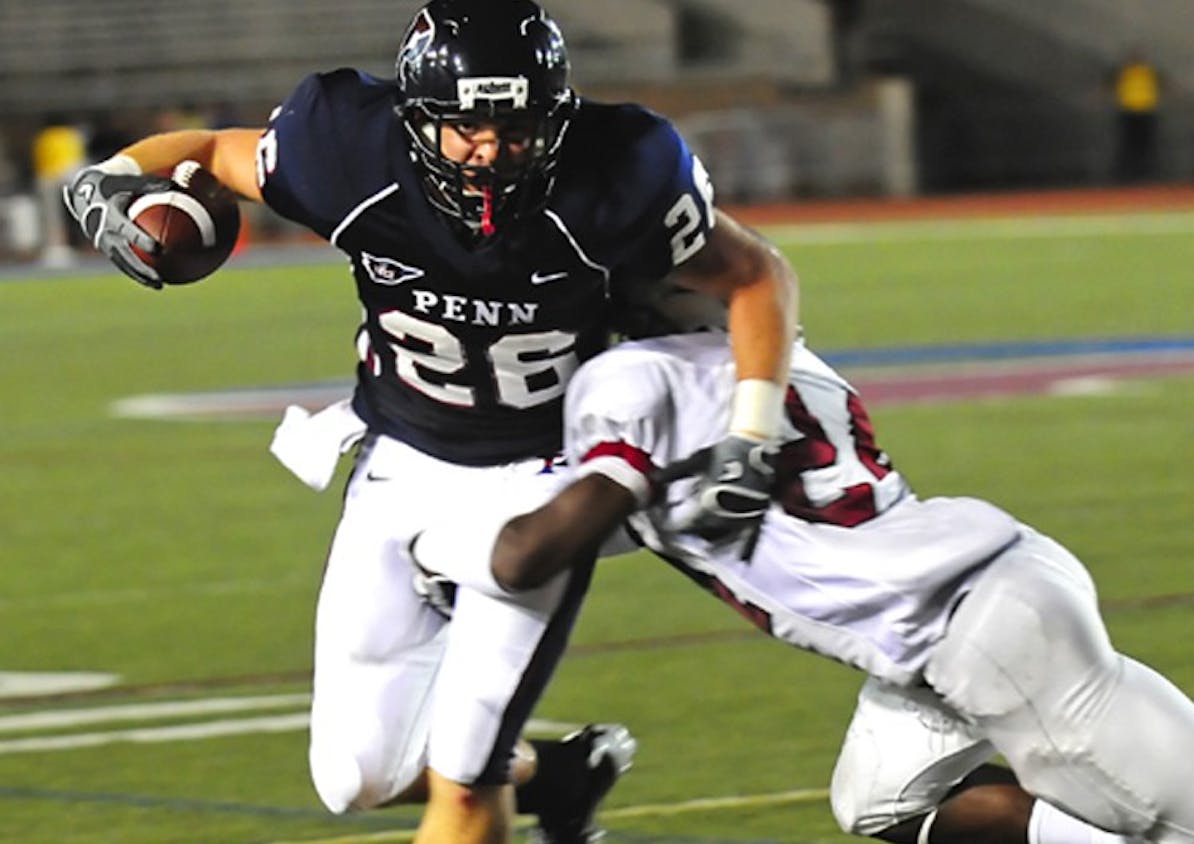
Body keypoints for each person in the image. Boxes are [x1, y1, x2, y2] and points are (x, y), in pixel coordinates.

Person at [59, 1, 799, 843]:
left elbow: (756, 276)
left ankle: (489, 774)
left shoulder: (620, 170)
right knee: (356, 776)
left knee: (466, 781)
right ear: (414, 118)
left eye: (516, 128)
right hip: (401, 462)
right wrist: (110, 177)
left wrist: (752, 431)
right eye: (468, 126)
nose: (491, 150)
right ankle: (560, 775)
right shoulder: (347, 149)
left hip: (544, 482)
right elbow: (213, 151)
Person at [408, 311, 1194, 844]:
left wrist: (426, 544)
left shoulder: (633, 380)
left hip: (976, 635)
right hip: (948, 618)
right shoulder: (749, 356)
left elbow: (534, 550)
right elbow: (658, 515)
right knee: (881, 800)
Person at [31, 113, 87, 267]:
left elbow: (41, 161)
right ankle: (76, 245)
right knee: (73, 214)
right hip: (71, 176)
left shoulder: (44, 137)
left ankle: (57, 247)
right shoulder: (72, 135)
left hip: (49, 178)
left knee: (53, 217)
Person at [1106, 47, 1164, 183]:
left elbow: (1164, 84)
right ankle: (1127, 173)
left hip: (1146, 111)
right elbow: (1109, 85)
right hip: (1128, 112)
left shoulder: (1149, 72)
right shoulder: (1123, 73)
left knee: (1147, 144)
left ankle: (1147, 172)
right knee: (1128, 143)